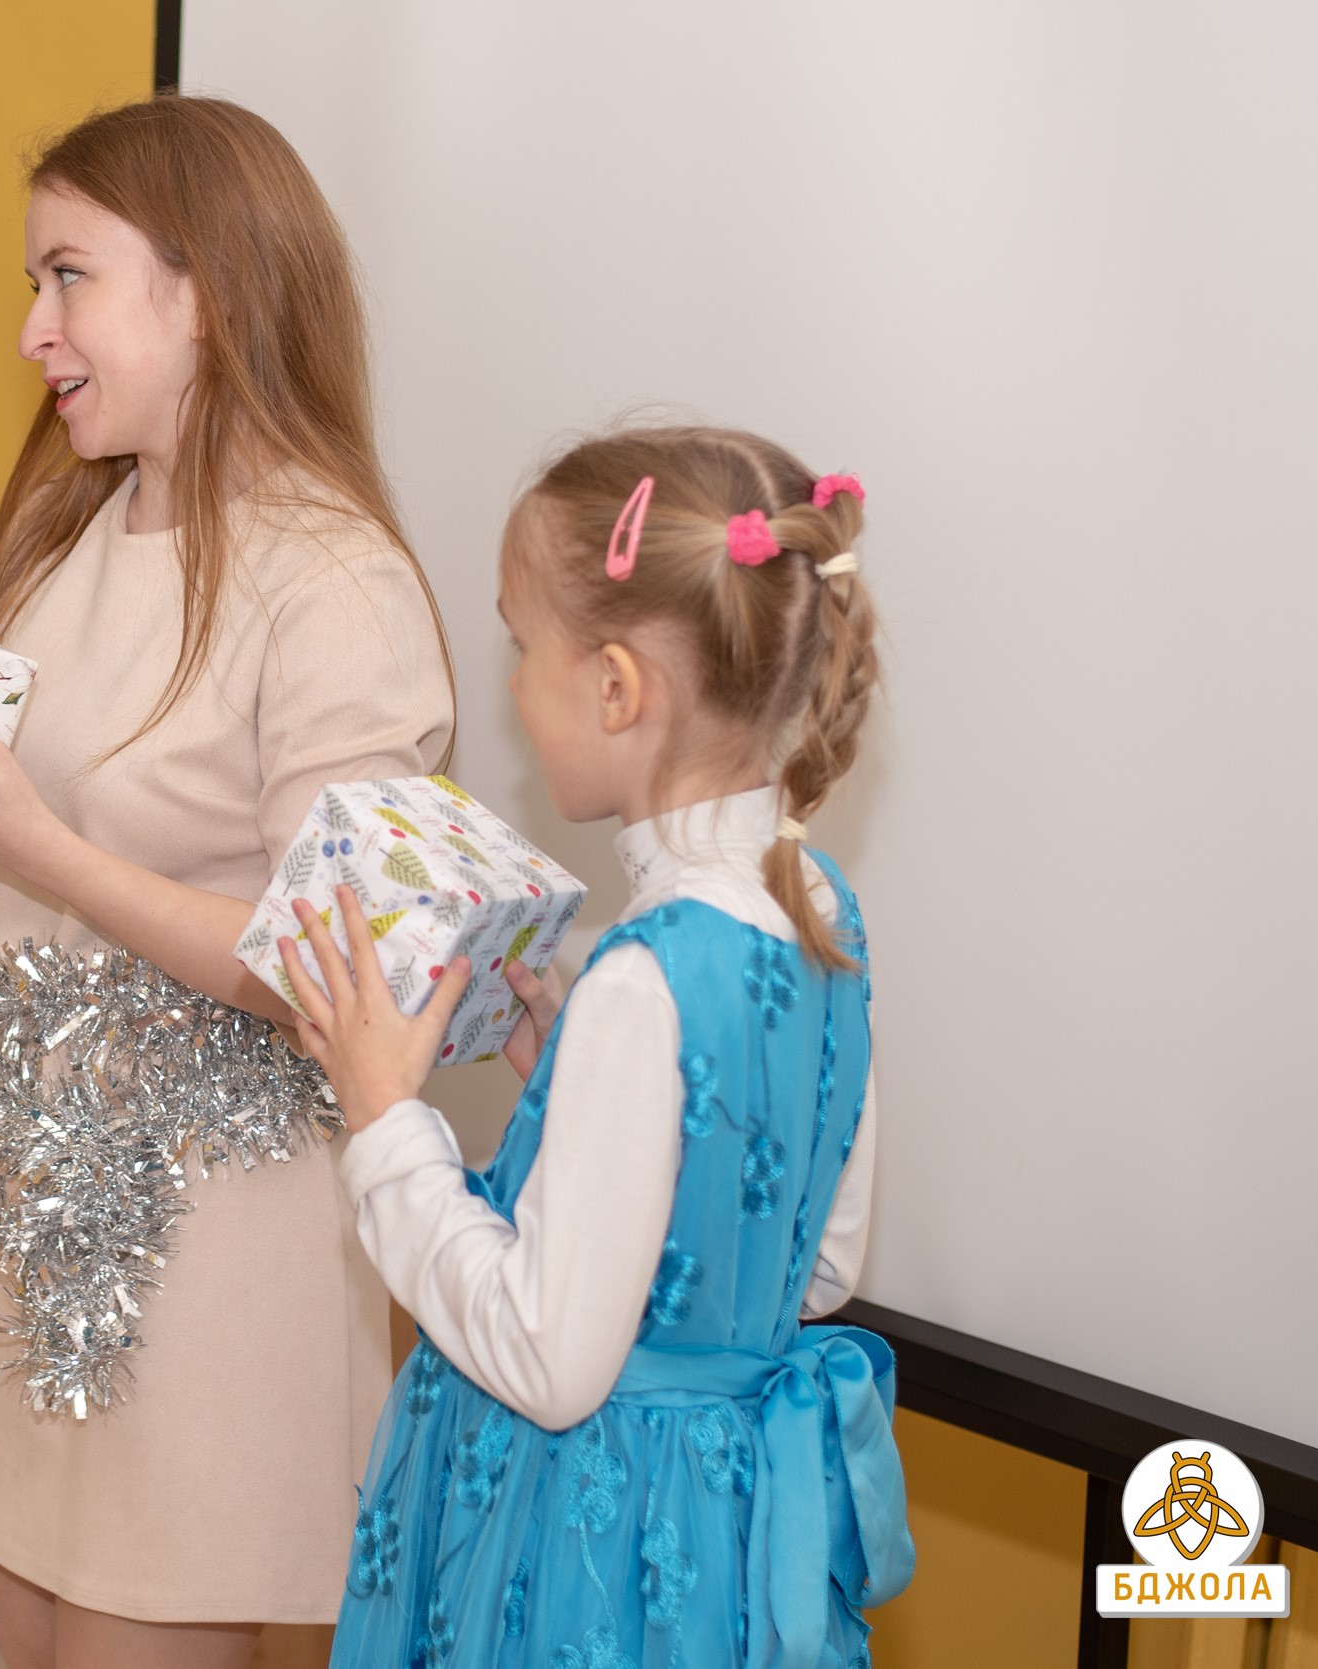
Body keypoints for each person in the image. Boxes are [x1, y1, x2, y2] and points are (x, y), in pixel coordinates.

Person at [0, 97, 455, 1668]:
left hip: (214, 1254)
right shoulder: (68, 534)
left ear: (210, 293)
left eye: (69, 277)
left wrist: (37, 842)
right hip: (38, 1218)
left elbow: (333, 970)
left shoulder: (333, 580)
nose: (31, 330)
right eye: (34, 283)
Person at [279, 429, 914, 1668]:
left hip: (589, 1548)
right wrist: (582, 1101)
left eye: (522, 647)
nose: (513, 686)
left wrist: (386, 1119)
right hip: (720, 1535)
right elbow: (816, 1265)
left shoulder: (643, 975)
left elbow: (546, 1359)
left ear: (617, 689)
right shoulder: (820, 911)